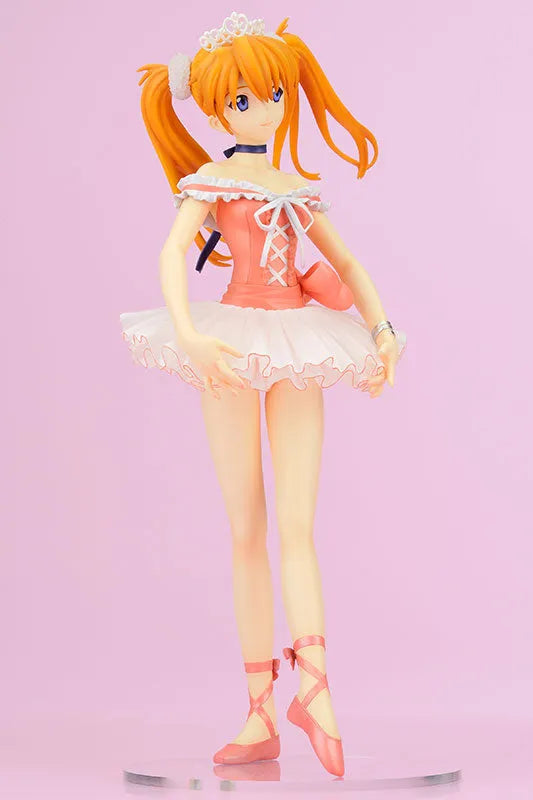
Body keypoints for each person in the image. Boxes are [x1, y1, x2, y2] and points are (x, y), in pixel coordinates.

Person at [119, 11, 407, 778]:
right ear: (216, 109)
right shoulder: (211, 183)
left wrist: (383, 330)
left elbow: (347, 264)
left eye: (273, 93)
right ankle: (258, 711)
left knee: (296, 524)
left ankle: (314, 689)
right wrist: (187, 332)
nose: (263, 108)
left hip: (296, 340)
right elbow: (172, 253)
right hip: (229, 342)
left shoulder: (296, 188)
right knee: (245, 524)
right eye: (241, 99)